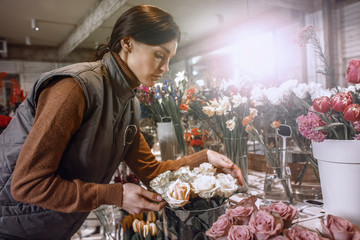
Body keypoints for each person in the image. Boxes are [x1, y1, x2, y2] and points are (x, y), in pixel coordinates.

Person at [0, 5, 243, 240]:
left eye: (170, 58)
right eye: (159, 54)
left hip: (50, 227)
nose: (166, 68)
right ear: (127, 42)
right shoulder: (74, 88)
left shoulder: (128, 105)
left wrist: (205, 158)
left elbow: (152, 172)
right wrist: (114, 194)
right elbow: (27, 185)